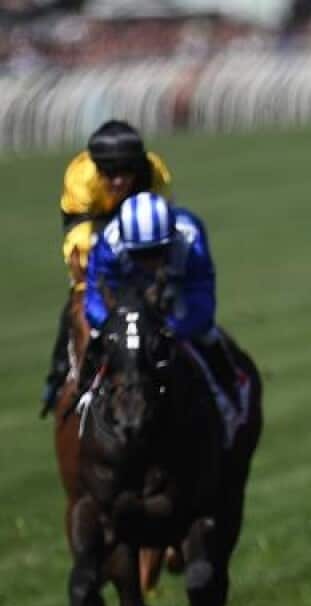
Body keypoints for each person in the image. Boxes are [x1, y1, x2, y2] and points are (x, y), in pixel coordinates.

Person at [81, 192, 243, 437]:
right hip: (128, 301)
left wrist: (173, 329)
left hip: (174, 293)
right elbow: (94, 295)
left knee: (208, 336)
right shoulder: (108, 244)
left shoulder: (191, 237)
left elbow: (201, 296)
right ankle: (80, 396)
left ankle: (229, 395)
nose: (149, 262)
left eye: (157, 251)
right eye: (140, 255)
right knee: (94, 339)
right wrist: (116, 326)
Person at [40, 120, 173, 416]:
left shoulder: (155, 174)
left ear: (138, 168)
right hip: (93, 222)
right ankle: (59, 375)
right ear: (96, 169)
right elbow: (80, 239)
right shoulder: (81, 179)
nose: (117, 182)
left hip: (141, 225)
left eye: (125, 173)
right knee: (80, 296)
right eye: (109, 173)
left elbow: (161, 225)